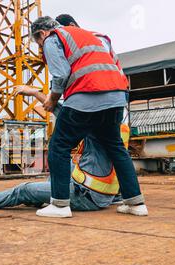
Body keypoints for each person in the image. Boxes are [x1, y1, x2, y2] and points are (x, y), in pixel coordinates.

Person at [28, 15, 148, 218]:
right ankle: (135, 203)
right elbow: (116, 66)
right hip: (116, 97)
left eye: (38, 42)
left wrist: (52, 100)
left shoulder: (52, 38)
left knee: (58, 146)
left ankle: (59, 205)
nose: (41, 47)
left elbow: (60, 75)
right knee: (116, 148)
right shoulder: (96, 36)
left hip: (87, 95)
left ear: (41, 33)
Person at [0, 85, 129, 212]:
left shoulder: (97, 125)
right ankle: (41, 198)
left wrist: (34, 93)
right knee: (58, 163)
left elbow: (60, 111)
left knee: (24, 189)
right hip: (104, 192)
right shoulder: (118, 127)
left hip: (87, 195)